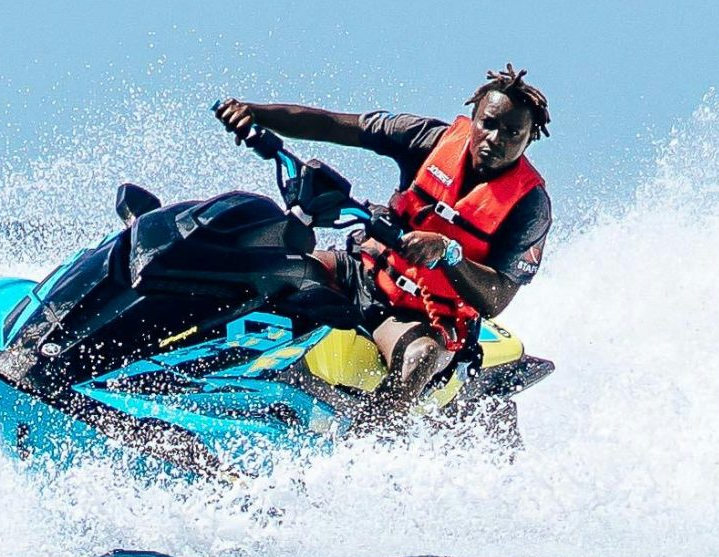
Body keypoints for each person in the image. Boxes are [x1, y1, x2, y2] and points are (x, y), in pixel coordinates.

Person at [215, 68, 552, 414]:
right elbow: (332, 125)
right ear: (474, 117)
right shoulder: (427, 139)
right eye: (488, 124)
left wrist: (449, 253)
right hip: (362, 273)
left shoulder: (529, 207)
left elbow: (496, 299)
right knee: (272, 267)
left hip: (419, 317)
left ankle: (365, 452)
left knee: (421, 356)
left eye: (512, 133)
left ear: (528, 139)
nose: (495, 139)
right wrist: (255, 114)